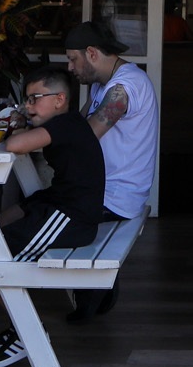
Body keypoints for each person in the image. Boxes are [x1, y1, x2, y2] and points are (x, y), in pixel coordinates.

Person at [0, 67, 112, 367]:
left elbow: (14, 146)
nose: (28, 106)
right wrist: (25, 121)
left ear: (60, 99)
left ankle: (28, 331)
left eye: (35, 98)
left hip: (72, 218)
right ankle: (19, 323)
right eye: (27, 100)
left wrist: (16, 129)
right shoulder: (67, 122)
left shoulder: (65, 124)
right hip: (59, 202)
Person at [59, 20, 157, 322]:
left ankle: (92, 287)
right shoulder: (105, 84)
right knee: (36, 202)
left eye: (73, 59)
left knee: (33, 219)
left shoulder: (124, 88)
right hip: (105, 191)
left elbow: (86, 137)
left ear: (91, 53)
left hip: (113, 197)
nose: (70, 68)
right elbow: (79, 124)